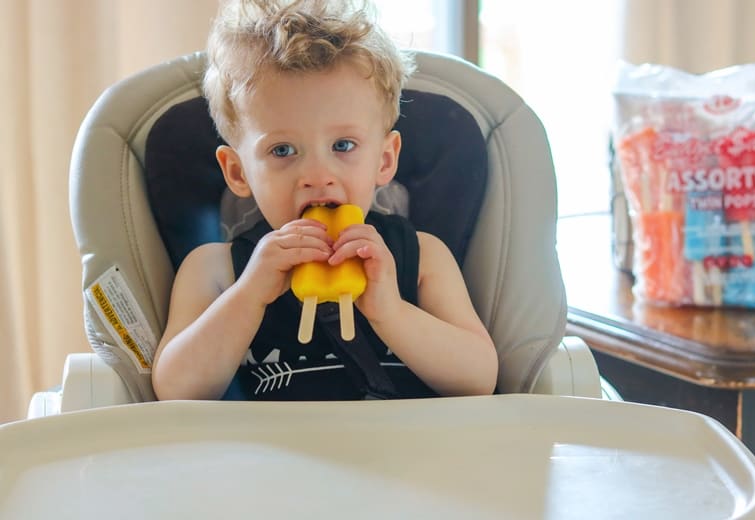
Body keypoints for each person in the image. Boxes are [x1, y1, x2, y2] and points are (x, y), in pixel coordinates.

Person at [151, 0, 497, 401]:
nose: (317, 176)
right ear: (237, 172)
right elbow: (176, 391)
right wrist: (250, 294)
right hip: (266, 460)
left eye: (343, 145)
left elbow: (479, 379)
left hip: (406, 458)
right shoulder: (216, 271)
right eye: (282, 151)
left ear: (384, 161)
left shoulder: (422, 259)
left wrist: (391, 311)